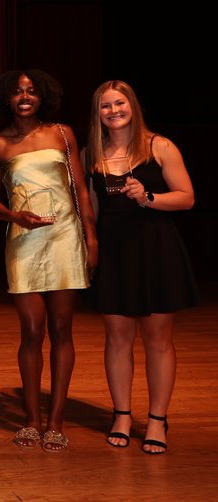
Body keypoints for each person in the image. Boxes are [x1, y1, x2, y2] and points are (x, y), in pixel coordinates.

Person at [0, 70, 97, 452]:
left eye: (31, 91)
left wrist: (92, 237)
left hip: (65, 238)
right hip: (23, 240)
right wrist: (15, 216)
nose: (24, 97)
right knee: (31, 331)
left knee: (62, 329)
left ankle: (55, 422)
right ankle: (31, 420)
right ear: (7, 99)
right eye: (17, 92)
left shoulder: (62, 133)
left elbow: (80, 190)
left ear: (42, 96)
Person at [84, 80, 197, 455]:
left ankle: (157, 420)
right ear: (97, 113)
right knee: (116, 338)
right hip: (115, 254)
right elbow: (92, 210)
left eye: (119, 103)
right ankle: (121, 416)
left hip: (156, 250)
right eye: (105, 106)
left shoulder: (159, 146)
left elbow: (187, 198)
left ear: (132, 106)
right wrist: (89, 245)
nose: (113, 111)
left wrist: (148, 197)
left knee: (158, 340)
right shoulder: (91, 154)